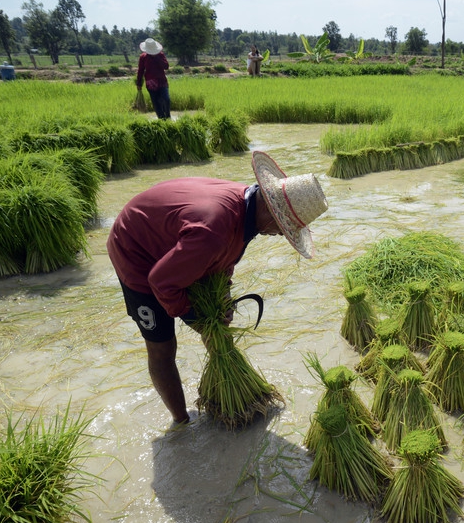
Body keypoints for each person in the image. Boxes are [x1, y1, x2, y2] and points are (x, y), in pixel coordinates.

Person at [107, 151, 329, 427]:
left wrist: (223, 295)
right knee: (163, 346)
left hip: (182, 243)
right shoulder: (214, 230)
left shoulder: (246, 208)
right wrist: (194, 318)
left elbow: (224, 255)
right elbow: (160, 281)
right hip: (137, 251)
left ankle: (223, 388)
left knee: (217, 318)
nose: (281, 235)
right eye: (285, 229)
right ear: (272, 215)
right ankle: (181, 422)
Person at [136, 38, 170, 119]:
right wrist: (139, 83)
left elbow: (166, 66)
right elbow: (140, 70)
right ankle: (161, 119)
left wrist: (157, 58)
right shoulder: (143, 57)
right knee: (156, 102)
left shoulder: (161, 55)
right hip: (150, 83)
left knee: (166, 99)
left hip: (162, 81)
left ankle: (168, 117)